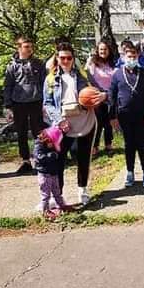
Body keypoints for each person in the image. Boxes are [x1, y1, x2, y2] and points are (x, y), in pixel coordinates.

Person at [43, 42, 101, 206]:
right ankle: (58, 194)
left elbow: (98, 92)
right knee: (58, 160)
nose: (66, 61)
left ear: (73, 58)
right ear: (57, 58)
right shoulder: (50, 79)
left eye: (69, 58)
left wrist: (101, 97)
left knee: (83, 158)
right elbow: (48, 104)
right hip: (64, 125)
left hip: (84, 122)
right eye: (62, 58)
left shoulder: (83, 75)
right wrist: (60, 121)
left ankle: (82, 190)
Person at [110, 41, 144, 187]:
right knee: (129, 144)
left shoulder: (143, 72)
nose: (131, 59)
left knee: (142, 144)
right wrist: (112, 116)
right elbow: (112, 95)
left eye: (134, 56)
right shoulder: (117, 74)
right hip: (124, 115)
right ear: (124, 57)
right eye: (129, 56)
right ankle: (130, 172)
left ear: (137, 57)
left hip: (141, 115)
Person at [3, 36, 46, 175]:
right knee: (21, 132)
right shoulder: (12, 66)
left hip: (36, 101)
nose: (29, 49)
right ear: (19, 48)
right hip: (18, 103)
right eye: (26, 47)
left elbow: (44, 83)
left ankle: (41, 158)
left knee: (38, 132)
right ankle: (26, 161)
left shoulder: (39, 64)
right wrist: (8, 106)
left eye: (31, 46)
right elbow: (8, 86)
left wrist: (46, 102)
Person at [33, 126, 74, 220]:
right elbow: (38, 157)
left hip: (53, 172)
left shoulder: (52, 146)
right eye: (52, 143)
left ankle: (61, 205)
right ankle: (45, 210)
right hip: (45, 174)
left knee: (57, 191)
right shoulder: (39, 145)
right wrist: (49, 156)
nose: (53, 146)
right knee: (45, 194)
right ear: (47, 139)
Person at [86, 39, 117, 153]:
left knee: (108, 122)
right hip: (97, 95)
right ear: (97, 51)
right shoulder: (92, 63)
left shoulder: (112, 63)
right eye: (101, 49)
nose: (103, 51)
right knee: (97, 122)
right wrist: (98, 92)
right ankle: (95, 146)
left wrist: (109, 93)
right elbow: (89, 78)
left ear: (109, 50)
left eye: (105, 49)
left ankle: (109, 144)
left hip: (109, 95)